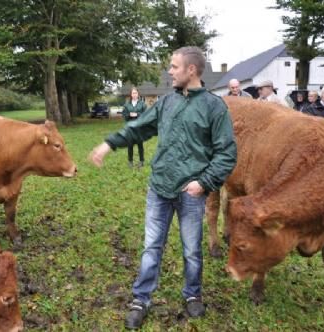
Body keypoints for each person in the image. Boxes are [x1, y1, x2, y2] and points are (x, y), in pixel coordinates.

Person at [89, 46, 237, 329]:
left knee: (192, 250)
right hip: (159, 187)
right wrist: (110, 143)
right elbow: (139, 128)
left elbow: (226, 153)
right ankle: (140, 299)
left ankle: (193, 294)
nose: (169, 71)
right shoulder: (166, 103)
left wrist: (204, 183)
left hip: (190, 193)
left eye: (173, 66)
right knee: (151, 247)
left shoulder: (214, 107)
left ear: (190, 70)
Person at [121, 87, 147, 168]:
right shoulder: (127, 105)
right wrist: (129, 115)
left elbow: (146, 114)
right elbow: (124, 115)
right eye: (133, 93)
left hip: (139, 127)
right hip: (130, 127)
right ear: (131, 94)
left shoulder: (142, 104)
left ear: (138, 94)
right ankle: (130, 162)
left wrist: (137, 114)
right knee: (130, 145)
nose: (134, 94)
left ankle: (141, 161)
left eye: (135, 93)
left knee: (140, 145)